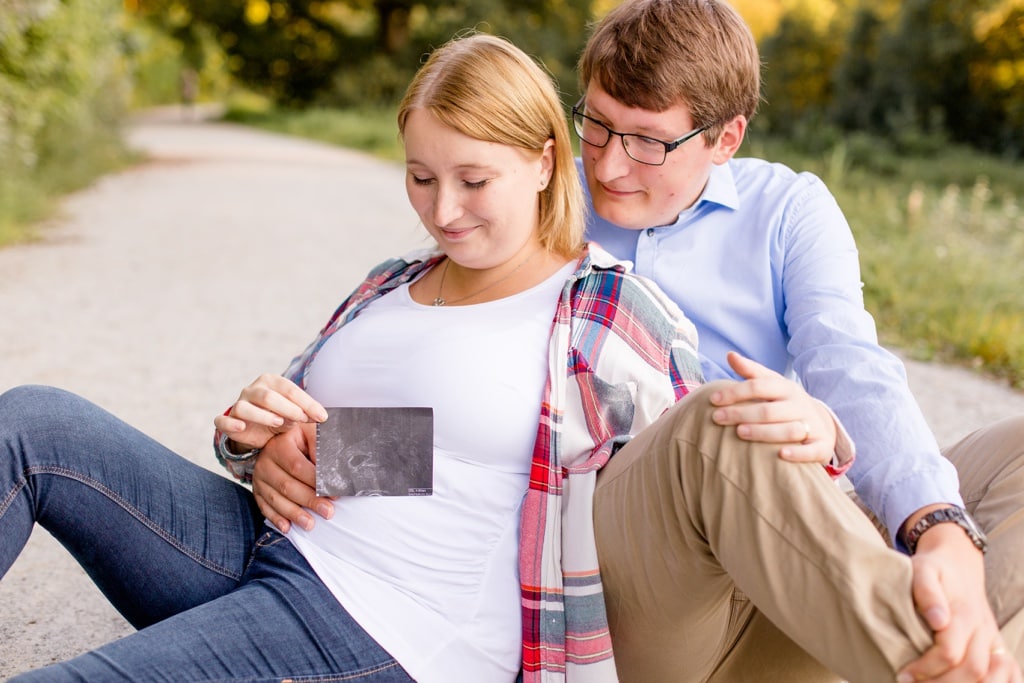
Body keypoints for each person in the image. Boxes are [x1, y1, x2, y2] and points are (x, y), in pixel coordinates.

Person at [0, 33, 717, 681]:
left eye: (473, 180)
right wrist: (262, 442)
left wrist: (822, 435)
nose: (442, 211)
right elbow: (427, 455)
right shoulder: (394, 278)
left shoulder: (601, 310)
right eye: (421, 176)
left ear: (541, 162)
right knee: (35, 424)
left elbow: (718, 469)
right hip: (269, 546)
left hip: (386, 624)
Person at [572, 0, 1024, 681]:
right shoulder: (539, 197)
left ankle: (953, 656)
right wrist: (351, 453)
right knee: (722, 419)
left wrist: (937, 524)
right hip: (646, 586)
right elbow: (429, 342)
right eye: (597, 125)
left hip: (788, 576)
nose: (607, 166)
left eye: (646, 142)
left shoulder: (787, 208)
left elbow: (848, 362)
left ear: (725, 139)